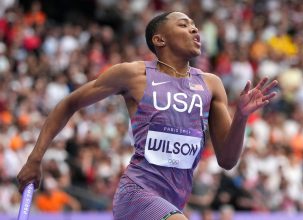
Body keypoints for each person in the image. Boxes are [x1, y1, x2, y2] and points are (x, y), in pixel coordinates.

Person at [17, 11, 277, 220]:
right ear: (159, 39)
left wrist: (241, 116)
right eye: (184, 25)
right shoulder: (134, 75)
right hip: (137, 194)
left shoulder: (211, 84)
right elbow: (68, 103)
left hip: (173, 201)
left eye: (195, 26)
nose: (195, 30)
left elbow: (228, 160)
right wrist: (35, 158)